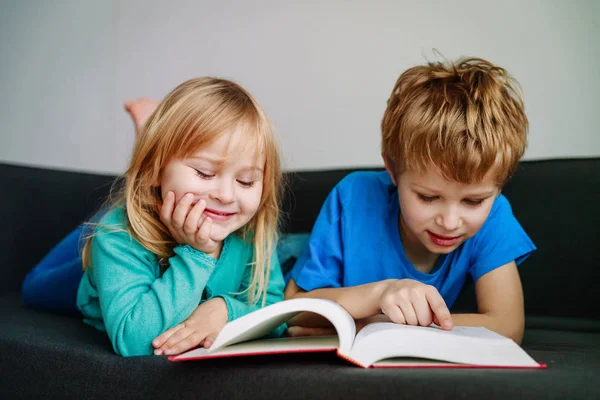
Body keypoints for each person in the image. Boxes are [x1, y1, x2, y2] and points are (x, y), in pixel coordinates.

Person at [23, 78, 287, 357]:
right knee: (33, 287)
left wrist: (223, 311)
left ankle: (149, 156)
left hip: (150, 201)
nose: (226, 195)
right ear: (155, 170)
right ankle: (138, 185)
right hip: (111, 258)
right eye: (205, 173)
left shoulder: (253, 231)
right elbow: (134, 343)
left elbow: (275, 309)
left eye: (245, 181)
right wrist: (198, 255)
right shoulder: (116, 235)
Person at [284, 57, 536, 344]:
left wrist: (377, 322)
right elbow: (292, 309)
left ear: (500, 187)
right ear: (392, 170)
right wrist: (379, 295)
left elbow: (507, 325)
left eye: (473, 202)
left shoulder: (495, 216)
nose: (450, 222)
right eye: (428, 197)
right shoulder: (353, 197)